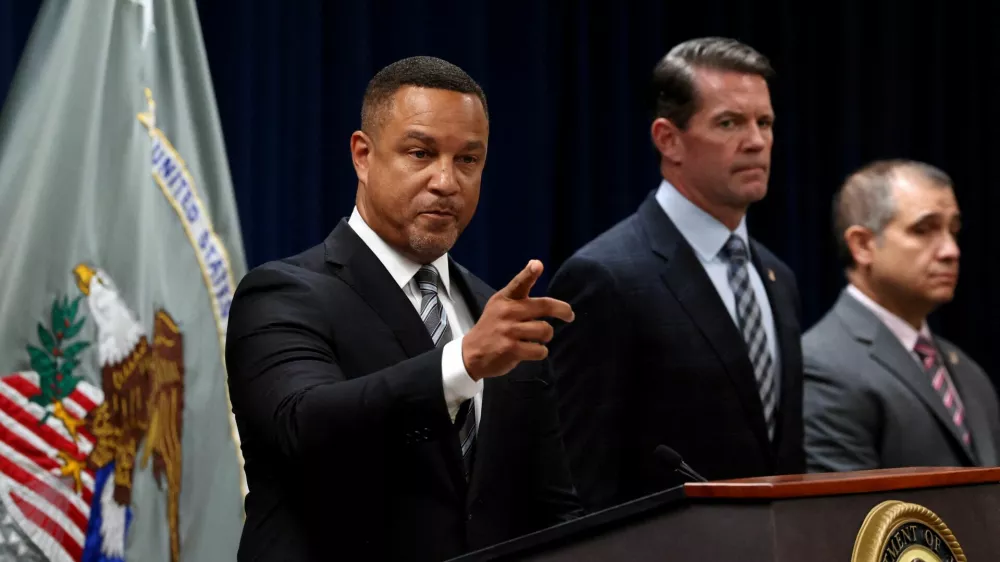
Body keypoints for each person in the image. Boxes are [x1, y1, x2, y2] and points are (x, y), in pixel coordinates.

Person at [225, 56, 581, 561]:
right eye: (420, 153)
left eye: (468, 160)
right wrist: (462, 363)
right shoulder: (283, 292)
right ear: (363, 156)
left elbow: (550, 507)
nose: (446, 181)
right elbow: (302, 428)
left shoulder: (495, 314)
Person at [547, 37, 805, 511]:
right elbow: (577, 483)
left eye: (764, 122)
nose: (756, 141)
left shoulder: (778, 278)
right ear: (668, 139)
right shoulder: (605, 277)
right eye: (729, 123)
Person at [803, 159, 1000, 472]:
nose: (951, 251)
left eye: (953, 231)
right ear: (863, 245)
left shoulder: (967, 371)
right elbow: (846, 516)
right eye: (924, 230)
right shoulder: (822, 366)